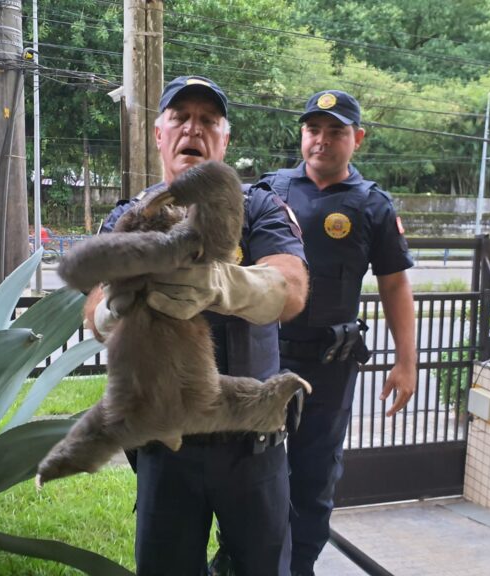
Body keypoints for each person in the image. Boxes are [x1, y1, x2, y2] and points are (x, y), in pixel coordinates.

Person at [84, 76, 309, 576]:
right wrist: (114, 307)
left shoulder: (261, 207)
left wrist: (226, 286)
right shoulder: (129, 217)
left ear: (224, 142)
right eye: (181, 117)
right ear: (159, 134)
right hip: (168, 447)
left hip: (254, 444)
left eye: (209, 120)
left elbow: (292, 288)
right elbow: (93, 307)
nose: (194, 128)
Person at [255, 90, 418, 576]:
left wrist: (406, 362)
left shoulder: (373, 206)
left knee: (312, 480)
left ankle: (296, 567)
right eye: (313, 129)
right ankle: (243, 561)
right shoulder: (269, 190)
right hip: (264, 357)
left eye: (336, 131)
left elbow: (395, 284)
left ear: (358, 139)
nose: (322, 140)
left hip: (328, 368)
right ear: (301, 134)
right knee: (248, 471)